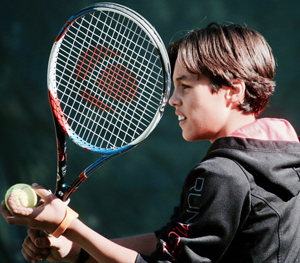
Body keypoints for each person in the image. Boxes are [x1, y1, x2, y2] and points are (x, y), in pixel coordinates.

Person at [2, 22, 300, 263]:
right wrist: (76, 251)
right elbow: (168, 241)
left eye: (185, 86)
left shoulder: (224, 175)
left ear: (232, 91)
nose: (172, 99)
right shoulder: (282, 161)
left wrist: (68, 225)